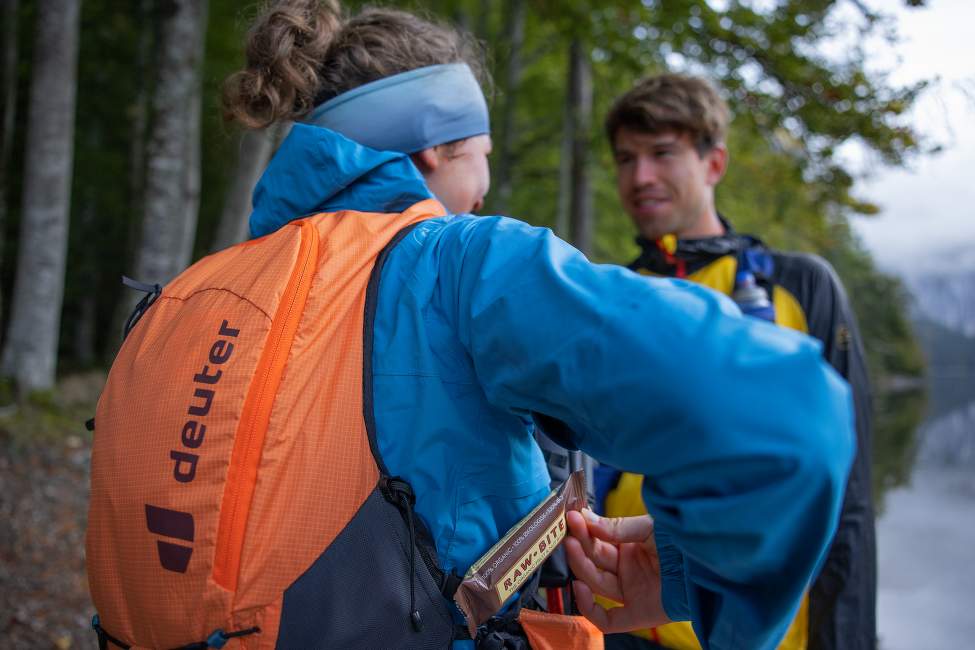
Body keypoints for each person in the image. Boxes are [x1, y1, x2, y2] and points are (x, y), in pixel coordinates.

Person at [88, 3, 853, 649]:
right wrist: (694, 573)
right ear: (435, 147)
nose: (481, 193)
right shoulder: (458, 263)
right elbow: (782, 416)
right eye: (478, 160)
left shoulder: (185, 296)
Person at [588, 73, 875, 650]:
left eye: (662, 154)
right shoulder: (608, 295)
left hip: (749, 636)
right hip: (619, 625)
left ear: (714, 163)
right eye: (625, 159)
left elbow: (849, 500)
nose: (639, 177)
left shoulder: (796, 287)